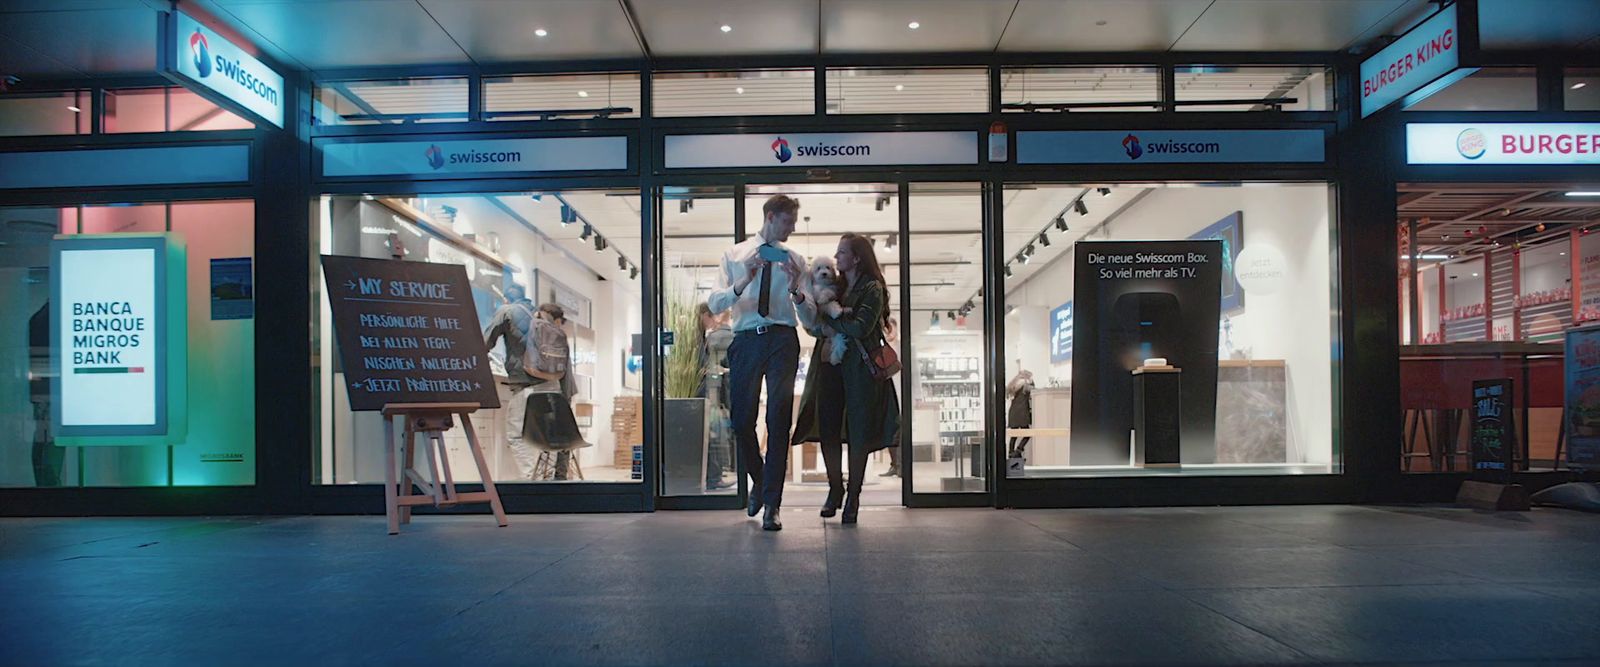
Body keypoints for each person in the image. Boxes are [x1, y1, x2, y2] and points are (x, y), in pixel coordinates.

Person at [707, 194, 813, 531]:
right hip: (746, 339)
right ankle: (760, 482)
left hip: (783, 339)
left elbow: (809, 317)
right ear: (771, 217)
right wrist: (744, 280)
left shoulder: (796, 259)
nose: (793, 228)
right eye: (788, 221)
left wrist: (797, 287)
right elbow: (714, 303)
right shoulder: (735, 255)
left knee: (779, 419)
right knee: (741, 420)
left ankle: (772, 505)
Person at [819, 232, 901, 525]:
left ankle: (853, 496)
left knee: (858, 433)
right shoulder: (835, 286)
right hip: (830, 364)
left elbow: (861, 327)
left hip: (861, 369)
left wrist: (830, 318)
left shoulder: (872, 288)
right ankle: (835, 488)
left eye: (842, 252)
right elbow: (817, 324)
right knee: (827, 428)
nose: (836, 256)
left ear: (855, 258)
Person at [483, 284, 539, 479]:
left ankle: (531, 480)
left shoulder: (506, 311)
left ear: (506, 299)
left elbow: (486, 341)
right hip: (549, 384)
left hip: (524, 383)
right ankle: (542, 478)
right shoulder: (538, 314)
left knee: (516, 434)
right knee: (538, 435)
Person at [523, 303, 584, 480]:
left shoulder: (534, 328)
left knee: (548, 433)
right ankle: (560, 474)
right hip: (561, 390)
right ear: (557, 319)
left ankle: (548, 473)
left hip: (537, 392)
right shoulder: (557, 334)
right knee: (564, 433)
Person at [696, 303, 735, 490]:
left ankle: (712, 477)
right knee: (713, 436)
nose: (713, 324)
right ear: (705, 315)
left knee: (712, 436)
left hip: (704, 396)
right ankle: (713, 478)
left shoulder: (703, 339)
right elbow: (701, 368)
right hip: (704, 396)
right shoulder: (698, 341)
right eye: (711, 318)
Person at [1006, 369, 1036, 458]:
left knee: (1014, 435)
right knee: (1027, 433)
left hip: (1014, 411)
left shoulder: (1014, 383)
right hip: (1022, 411)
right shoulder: (1026, 383)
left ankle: (1011, 453)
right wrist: (1032, 382)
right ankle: (1018, 450)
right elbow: (1033, 390)